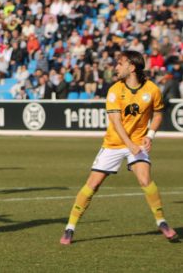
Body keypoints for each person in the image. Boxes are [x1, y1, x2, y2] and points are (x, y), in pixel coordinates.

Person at [60, 51, 178, 245]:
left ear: (132, 67)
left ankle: (162, 222)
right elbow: (115, 121)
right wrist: (129, 144)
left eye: (120, 64)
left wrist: (150, 135)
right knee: (93, 184)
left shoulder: (152, 89)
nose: (116, 67)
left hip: (138, 142)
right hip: (114, 143)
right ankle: (70, 227)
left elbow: (158, 113)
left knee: (144, 178)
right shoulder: (115, 89)